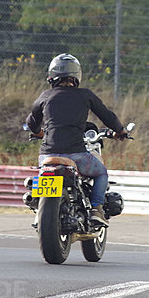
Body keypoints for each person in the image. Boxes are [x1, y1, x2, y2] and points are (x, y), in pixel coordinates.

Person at [26, 53, 128, 226]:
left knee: (42, 172)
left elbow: (31, 122)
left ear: (52, 76)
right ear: (76, 75)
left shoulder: (45, 96)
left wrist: (38, 133)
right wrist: (120, 131)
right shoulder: (85, 95)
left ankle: (38, 203)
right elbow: (107, 116)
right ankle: (96, 208)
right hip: (77, 155)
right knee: (101, 172)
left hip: (47, 156)